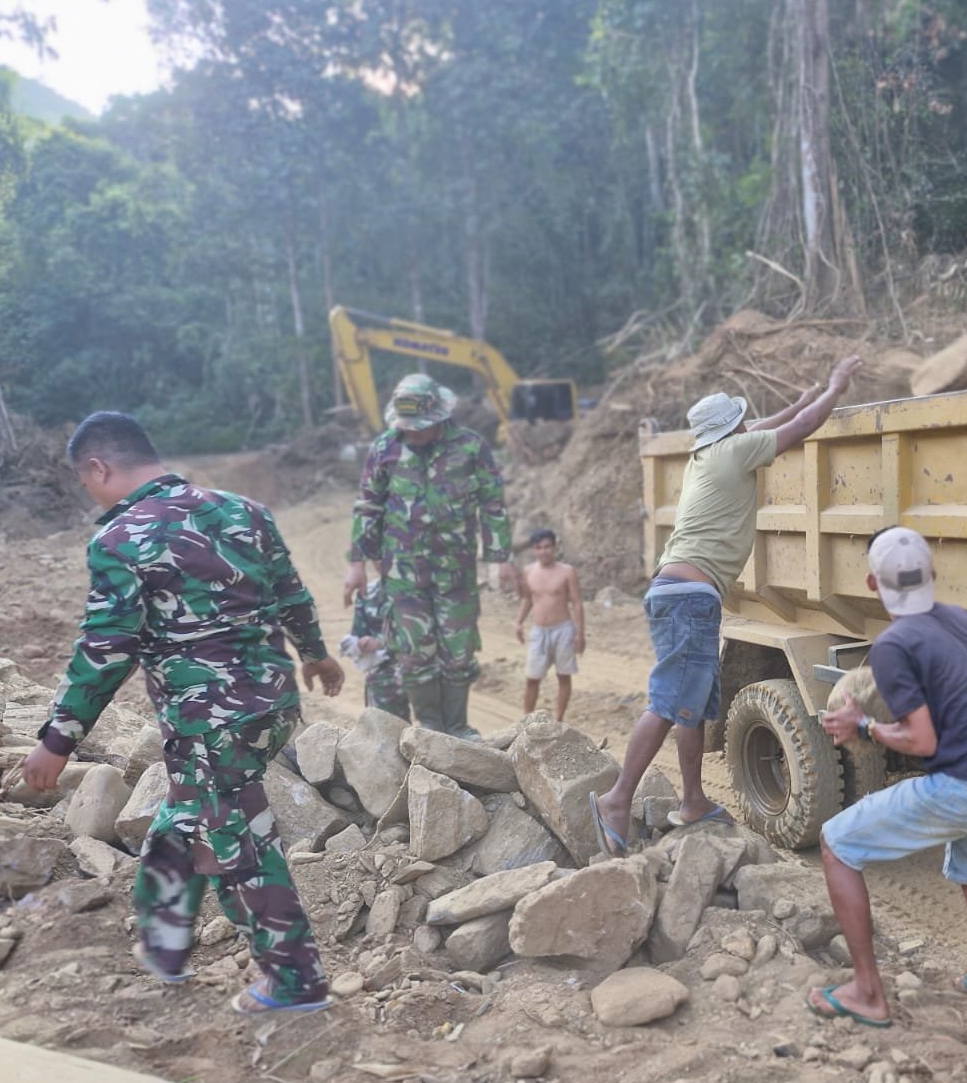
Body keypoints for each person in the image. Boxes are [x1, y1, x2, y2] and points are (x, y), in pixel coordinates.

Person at [20, 412, 343, 1014]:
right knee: (192, 804)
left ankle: (295, 981)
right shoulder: (245, 511)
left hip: (209, 718)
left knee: (236, 835)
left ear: (99, 467)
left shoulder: (120, 539)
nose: (89, 492)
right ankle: (164, 941)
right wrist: (317, 656)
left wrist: (58, 739)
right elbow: (291, 593)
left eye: (85, 481)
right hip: (271, 704)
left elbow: (107, 649)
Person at [588, 355, 861, 856]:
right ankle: (616, 799)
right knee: (670, 703)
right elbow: (800, 428)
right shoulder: (736, 452)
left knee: (690, 706)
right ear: (732, 429)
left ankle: (693, 801)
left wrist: (802, 398)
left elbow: (766, 424)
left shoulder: (710, 455)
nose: (746, 426)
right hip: (689, 599)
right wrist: (835, 389)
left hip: (680, 594)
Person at [815, 526, 967, 1027]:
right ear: (933, 574)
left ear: (872, 584)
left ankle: (867, 993)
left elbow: (923, 742)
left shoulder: (894, 645)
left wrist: (863, 725)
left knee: (836, 844)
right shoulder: (961, 619)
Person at [345, 372, 513, 740]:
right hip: (402, 572)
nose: (413, 433)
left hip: (456, 571)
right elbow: (368, 506)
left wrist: (500, 558)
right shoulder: (385, 448)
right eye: (407, 427)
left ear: (439, 417)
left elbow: (493, 504)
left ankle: (457, 726)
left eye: (419, 427)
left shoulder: (470, 447)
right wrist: (357, 564)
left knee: (458, 650)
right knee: (414, 652)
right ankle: (431, 728)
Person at [515, 527, 586, 720]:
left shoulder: (567, 572)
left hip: (563, 630)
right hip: (539, 631)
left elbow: (577, 603)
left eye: (547, 547)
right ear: (533, 550)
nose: (543, 551)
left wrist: (580, 633)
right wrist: (519, 622)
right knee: (532, 678)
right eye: (538, 548)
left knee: (563, 675)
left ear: (554, 548)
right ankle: (527, 720)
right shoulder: (528, 571)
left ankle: (559, 719)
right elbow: (527, 599)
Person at [341, 577, 410, 721]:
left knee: (438, 729)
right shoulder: (368, 592)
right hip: (386, 675)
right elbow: (358, 634)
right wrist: (360, 644)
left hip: (428, 670)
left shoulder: (427, 585)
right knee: (385, 727)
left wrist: (382, 642)